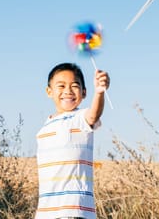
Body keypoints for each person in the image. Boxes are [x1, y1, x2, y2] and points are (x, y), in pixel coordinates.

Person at [35, 62, 110, 219]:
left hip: (74, 211)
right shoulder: (45, 127)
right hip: (46, 212)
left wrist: (99, 92)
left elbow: (94, 114)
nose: (68, 91)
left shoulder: (80, 117)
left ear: (84, 92)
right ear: (49, 91)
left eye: (74, 85)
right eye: (61, 86)